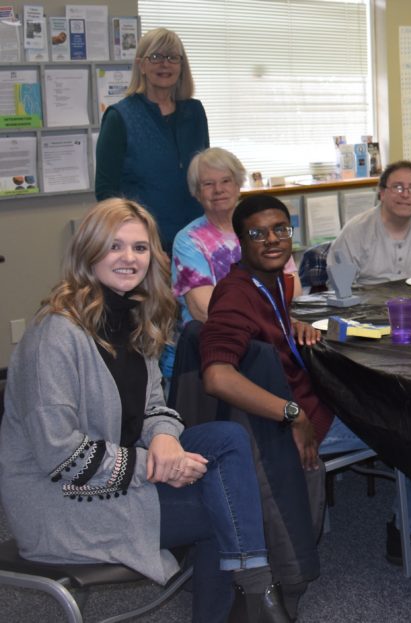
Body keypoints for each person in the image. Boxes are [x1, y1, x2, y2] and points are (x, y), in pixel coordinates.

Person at [0, 198, 288, 622]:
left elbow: (155, 406)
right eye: (114, 246)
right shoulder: (56, 335)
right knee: (222, 508)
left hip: (113, 472)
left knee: (227, 440)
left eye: (139, 248)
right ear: (88, 252)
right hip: (63, 502)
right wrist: (154, 465)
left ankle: (253, 590)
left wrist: (167, 441)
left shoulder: (133, 317)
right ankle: (255, 596)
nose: (129, 258)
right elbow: (60, 457)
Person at [200, 194, 411, 569]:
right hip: (290, 421)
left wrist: (288, 324)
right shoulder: (235, 295)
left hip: (310, 400)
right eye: (258, 233)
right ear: (241, 242)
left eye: (280, 229)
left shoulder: (270, 281)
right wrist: (293, 415)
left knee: (392, 399)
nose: (273, 240)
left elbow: (259, 329)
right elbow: (216, 377)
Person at [95, 28, 209, 251]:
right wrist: (140, 245)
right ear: (142, 65)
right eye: (155, 57)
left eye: (172, 57)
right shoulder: (119, 117)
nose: (164, 64)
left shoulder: (194, 112)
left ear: (181, 66)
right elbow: (106, 192)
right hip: (145, 243)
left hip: (195, 240)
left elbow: (205, 174)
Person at [173, 147, 296, 325]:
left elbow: (294, 289)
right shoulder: (188, 240)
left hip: (271, 331)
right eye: (208, 184)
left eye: (226, 181)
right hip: (216, 338)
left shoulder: (265, 228)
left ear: (238, 185)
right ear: (197, 193)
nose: (218, 190)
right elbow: (205, 309)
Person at [327, 160, 411, 285]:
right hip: (364, 302)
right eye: (397, 187)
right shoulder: (355, 231)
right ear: (382, 193)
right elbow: (340, 288)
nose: (405, 194)